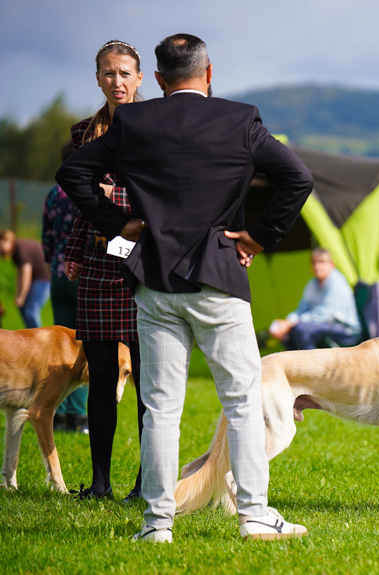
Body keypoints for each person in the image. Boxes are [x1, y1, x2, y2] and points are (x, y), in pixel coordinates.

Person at [57, 33, 314, 543]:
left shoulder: (132, 121)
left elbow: (73, 172)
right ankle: (255, 515)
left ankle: (157, 525)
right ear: (209, 73)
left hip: (154, 281)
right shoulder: (241, 119)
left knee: (161, 408)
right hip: (220, 278)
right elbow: (298, 179)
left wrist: (115, 224)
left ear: (156, 80)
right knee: (242, 401)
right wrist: (259, 237)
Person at [62, 40, 147, 502]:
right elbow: (80, 203)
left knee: (148, 384)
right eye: (109, 73)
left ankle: (145, 483)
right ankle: (99, 484)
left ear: (140, 78)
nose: (117, 81)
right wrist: (74, 249)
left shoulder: (156, 126)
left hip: (144, 262)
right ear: (98, 78)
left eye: (125, 73)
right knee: (99, 379)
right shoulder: (82, 134)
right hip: (97, 262)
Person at [42, 140, 88, 434]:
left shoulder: (53, 193)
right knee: (85, 347)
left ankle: (55, 411)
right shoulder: (86, 188)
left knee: (60, 347)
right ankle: (78, 415)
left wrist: (53, 261)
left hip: (58, 277)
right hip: (84, 274)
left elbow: (46, 237)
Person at [268, 247, 361, 350]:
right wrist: (286, 322)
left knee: (301, 329)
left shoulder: (336, 282)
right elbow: (302, 308)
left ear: (332, 264)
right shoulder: (312, 284)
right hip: (324, 325)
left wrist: (290, 324)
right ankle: (298, 364)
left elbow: (323, 314)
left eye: (322, 262)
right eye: (314, 263)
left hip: (345, 330)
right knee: (287, 334)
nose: (317, 266)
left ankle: (312, 364)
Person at [0, 230, 50, 328]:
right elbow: (20, 274)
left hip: (43, 280)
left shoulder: (20, 248)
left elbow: (26, 273)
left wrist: (22, 296)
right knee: (23, 308)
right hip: (35, 280)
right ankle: (31, 334)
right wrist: (18, 294)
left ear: (7, 241)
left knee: (30, 311)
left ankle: (38, 339)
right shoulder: (15, 252)